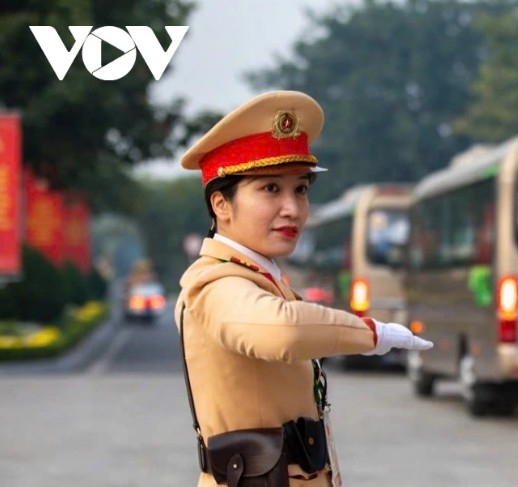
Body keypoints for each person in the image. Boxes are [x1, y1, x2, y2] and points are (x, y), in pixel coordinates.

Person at [174, 90, 432, 487]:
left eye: (301, 190)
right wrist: (373, 333)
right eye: (270, 189)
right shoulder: (215, 283)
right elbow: (284, 331)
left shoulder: (262, 278)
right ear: (221, 204)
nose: (292, 208)